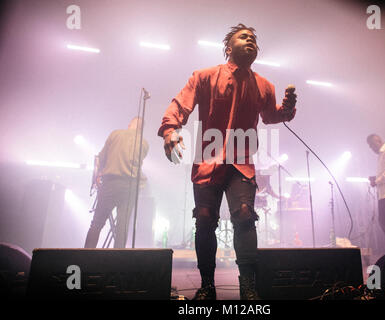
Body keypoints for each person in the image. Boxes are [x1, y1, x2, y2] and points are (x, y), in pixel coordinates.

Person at [158, 24, 297, 300]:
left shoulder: (264, 85)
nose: (251, 41)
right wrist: (170, 129)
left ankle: (248, 288)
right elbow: (180, 104)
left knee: (245, 215)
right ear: (228, 47)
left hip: (241, 163)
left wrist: (288, 108)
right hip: (208, 161)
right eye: (244, 37)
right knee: (206, 220)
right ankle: (207, 286)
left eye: (255, 38)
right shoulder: (205, 76)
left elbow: (271, 115)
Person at [84, 117, 149, 249]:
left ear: (130, 124)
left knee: (97, 223)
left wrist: (99, 173)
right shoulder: (144, 143)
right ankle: (117, 262)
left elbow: (101, 158)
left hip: (110, 184)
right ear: (142, 128)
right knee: (122, 227)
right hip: (130, 187)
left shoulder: (115, 134)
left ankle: (85, 257)